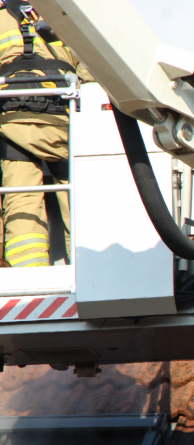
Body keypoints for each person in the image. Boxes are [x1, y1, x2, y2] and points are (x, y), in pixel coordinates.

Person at [0, 0, 92, 267]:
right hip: (63, 123)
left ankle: (28, 274)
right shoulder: (69, 18)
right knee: (76, 198)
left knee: (22, 198)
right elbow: (93, 73)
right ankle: (84, 267)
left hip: (11, 123)